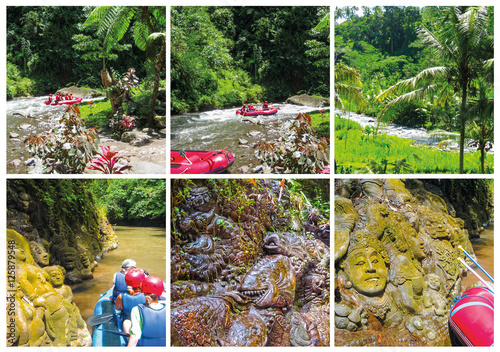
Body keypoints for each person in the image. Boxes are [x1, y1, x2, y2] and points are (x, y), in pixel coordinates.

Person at [127, 275, 166, 347]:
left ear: (143, 292)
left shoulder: (136, 310)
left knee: (126, 322)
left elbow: (134, 337)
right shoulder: (167, 307)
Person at [115, 269, 146, 334]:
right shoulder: (147, 296)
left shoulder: (121, 296)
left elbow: (117, 308)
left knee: (126, 322)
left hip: (129, 324)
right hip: (144, 324)